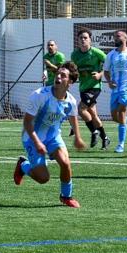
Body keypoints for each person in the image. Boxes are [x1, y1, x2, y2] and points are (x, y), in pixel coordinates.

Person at [15, 62, 88, 207]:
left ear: (70, 82)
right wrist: (37, 142)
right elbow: (27, 122)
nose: (58, 77)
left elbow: (73, 118)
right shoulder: (39, 95)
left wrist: (78, 138)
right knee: (43, 178)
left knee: (66, 163)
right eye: (58, 74)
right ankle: (23, 165)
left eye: (63, 75)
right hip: (32, 137)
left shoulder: (71, 101)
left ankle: (66, 196)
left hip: (53, 137)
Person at [69, 30, 108, 149]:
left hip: (94, 87)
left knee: (81, 109)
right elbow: (74, 71)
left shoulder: (97, 53)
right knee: (93, 115)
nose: (83, 40)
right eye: (80, 37)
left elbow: (108, 64)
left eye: (85, 37)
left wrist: (100, 75)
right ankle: (105, 138)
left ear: (90, 40)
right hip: (83, 87)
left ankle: (94, 132)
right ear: (77, 40)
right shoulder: (74, 55)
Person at [105, 30, 127, 153]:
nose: (115, 38)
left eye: (118, 36)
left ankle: (121, 144)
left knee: (121, 113)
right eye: (115, 36)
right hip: (115, 90)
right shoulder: (110, 55)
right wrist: (109, 81)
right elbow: (106, 71)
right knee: (115, 117)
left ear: (125, 38)